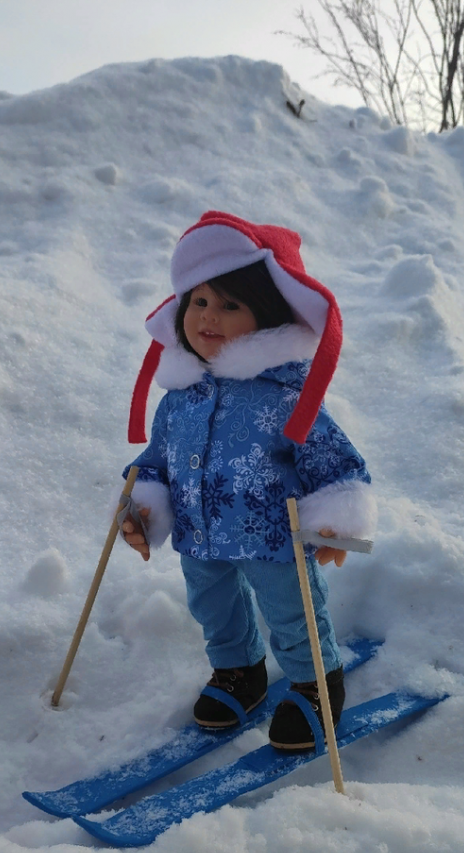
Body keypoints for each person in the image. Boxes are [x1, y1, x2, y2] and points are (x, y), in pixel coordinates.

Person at [120, 211, 376, 751]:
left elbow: (333, 461)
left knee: (291, 611)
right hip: (199, 535)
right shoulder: (179, 398)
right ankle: (238, 672)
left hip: (272, 539)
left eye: (230, 305)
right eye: (199, 301)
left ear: (266, 314)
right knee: (215, 609)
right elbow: (158, 460)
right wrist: (142, 502)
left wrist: (336, 520)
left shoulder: (284, 396)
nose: (208, 317)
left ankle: (315, 685)